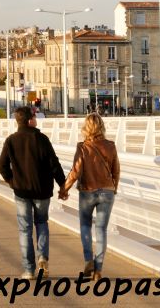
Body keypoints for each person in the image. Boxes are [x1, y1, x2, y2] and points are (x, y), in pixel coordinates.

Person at [0, 106, 66, 280]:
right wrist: (63, 185)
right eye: (34, 116)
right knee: (42, 222)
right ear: (29, 120)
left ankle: (29, 270)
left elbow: (2, 166)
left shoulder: (11, 140)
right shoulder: (42, 139)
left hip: (21, 191)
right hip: (42, 191)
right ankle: (42, 256)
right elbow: (54, 164)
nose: (36, 119)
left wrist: (13, 182)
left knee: (25, 229)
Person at [59, 113, 120, 281]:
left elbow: (75, 171)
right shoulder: (111, 146)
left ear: (86, 128)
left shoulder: (82, 147)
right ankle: (98, 269)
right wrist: (113, 188)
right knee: (101, 230)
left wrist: (64, 189)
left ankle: (88, 260)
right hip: (107, 192)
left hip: (87, 191)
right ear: (102, 126)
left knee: (85, 226)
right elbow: (116, 170)